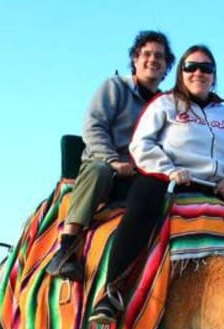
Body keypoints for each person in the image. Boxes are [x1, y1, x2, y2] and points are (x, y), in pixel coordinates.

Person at [90, 44, 224, 329]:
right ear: (181, 72)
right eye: (191, 67)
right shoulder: (165, 104)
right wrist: (167, 169)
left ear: (214, 75)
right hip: (165, 179)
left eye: (205, 69)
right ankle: (111, 292)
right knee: (140, 214)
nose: (198, 73)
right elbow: (141, 144)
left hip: (213, 190)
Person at [44, 30, 175, 282]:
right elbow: (94, 125)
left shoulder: (167, 104)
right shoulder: (115, 88)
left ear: (167, 65)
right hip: (105, 165)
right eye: (146, 54)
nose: (152, 59)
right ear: (135, 60)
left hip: (141, 174)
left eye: (159, 56)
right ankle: (66, 248)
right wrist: (113, 160)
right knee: (99, 171)